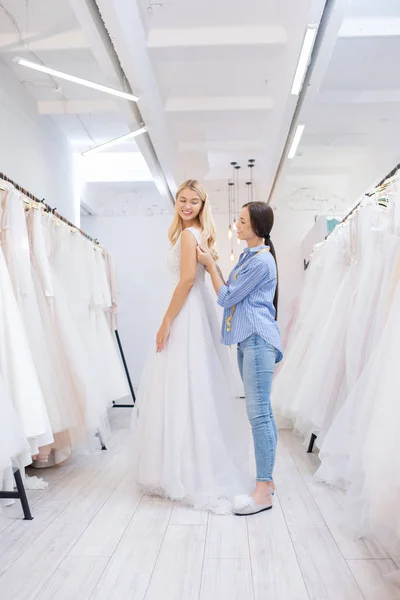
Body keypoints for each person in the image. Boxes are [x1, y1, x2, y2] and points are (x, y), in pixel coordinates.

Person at [131, 180, 252, 514]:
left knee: (181, 385)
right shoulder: (196, 235)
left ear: (202, 205)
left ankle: (182, 470)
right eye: (182, 200)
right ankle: (192, 464)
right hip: (196, 313)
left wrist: (166, 320)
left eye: (194, 201)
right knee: (192, 386)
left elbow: (186, 280)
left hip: (185, 314)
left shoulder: (189, 235)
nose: (187, 206)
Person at [197, 201, 283, 516]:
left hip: (258, 340)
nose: (237, 224)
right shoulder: (251, 256)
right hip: (250, 339)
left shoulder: (261, 262)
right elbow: (233, 290)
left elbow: (228, 297)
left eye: (243, 220)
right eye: (238, 219)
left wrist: (209, 266)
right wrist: (214, 266)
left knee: (258, 414)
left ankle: (262, 491)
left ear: (258, 226)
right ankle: (267, 482)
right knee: (263, 412)